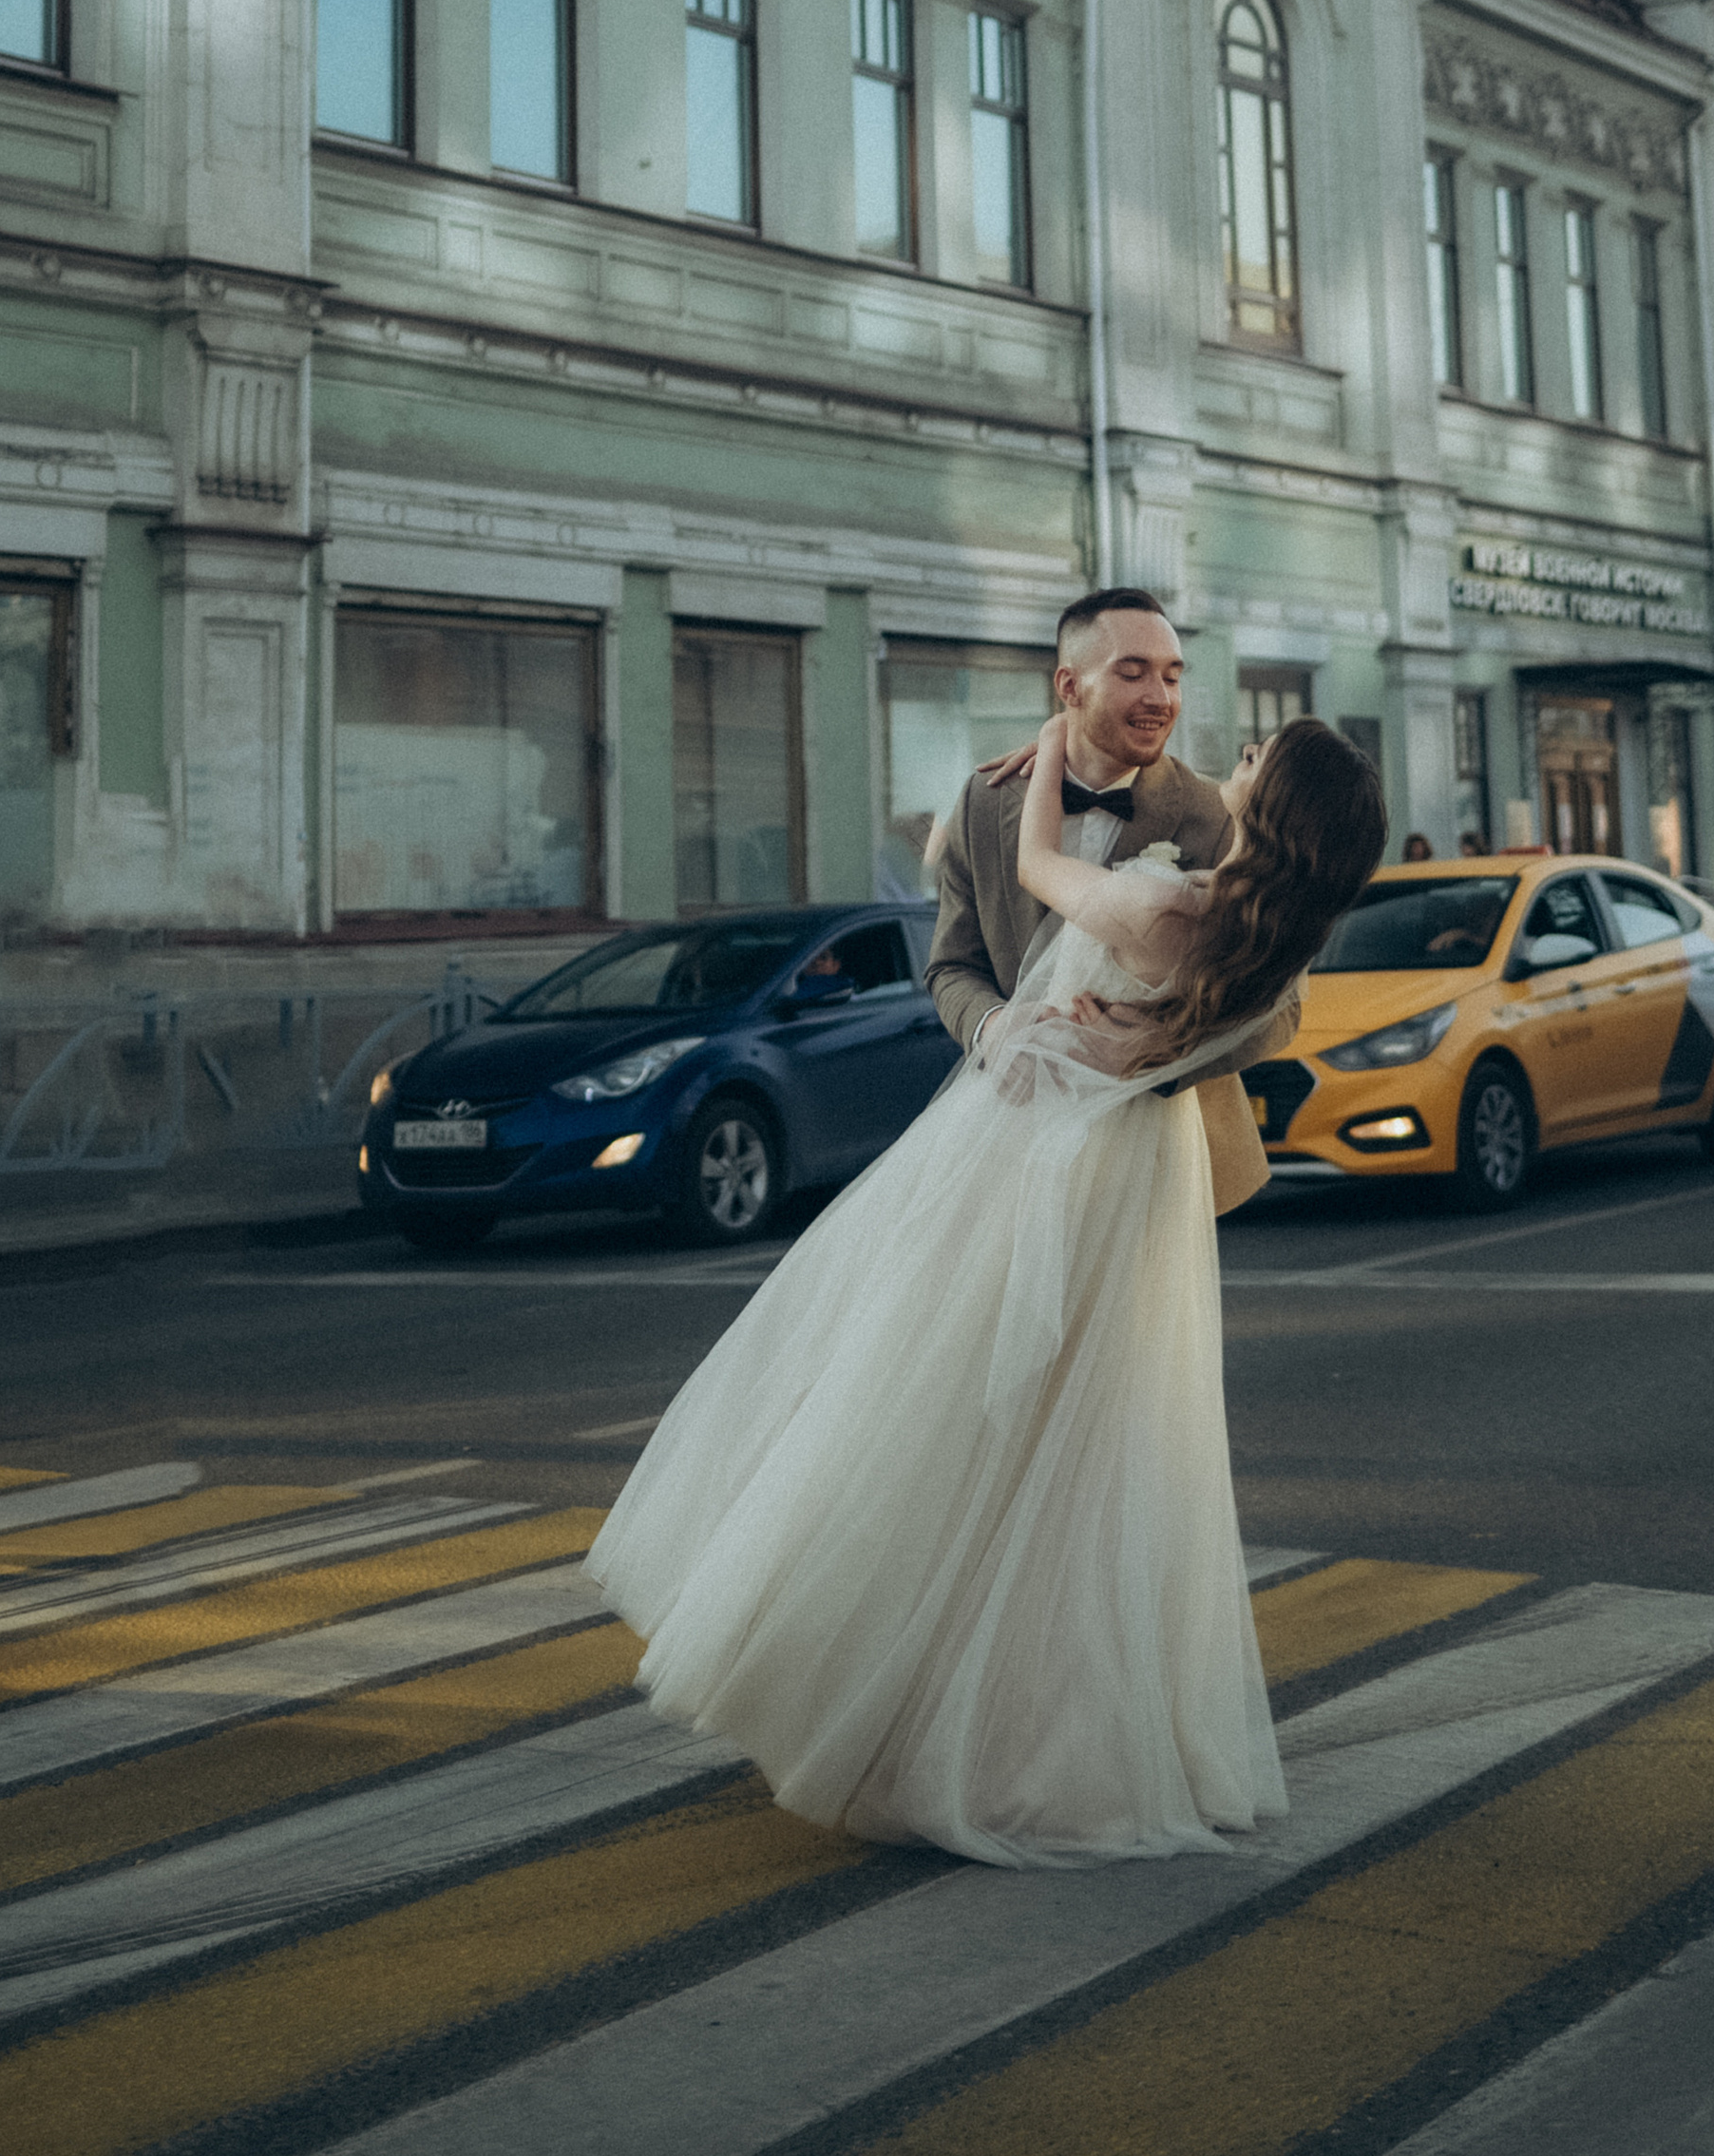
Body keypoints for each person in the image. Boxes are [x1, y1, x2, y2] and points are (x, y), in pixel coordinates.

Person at [585, 705, 1386, 1868]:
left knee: (930, 1412)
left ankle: (928, 1726)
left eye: (1256, 761)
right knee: (1077, 1454)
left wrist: (1058, 738)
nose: (1232, 761)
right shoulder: (1266, 935)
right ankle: (1023, 1726)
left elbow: (1034, 863)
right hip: (1129, 1185)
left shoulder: (1167, 902)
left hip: (1047, 1167)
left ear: (1273, 809)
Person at [929, 587, 1290, 1215]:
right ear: (1069, 686)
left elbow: (1281, 1007)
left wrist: (1155, 1049)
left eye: (1172, 676)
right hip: (1009, 1141)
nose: (1161, 697)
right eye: (1133, 673)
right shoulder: (984, 802)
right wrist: (992, 1027)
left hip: (1154, 1158)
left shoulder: (1222, 811)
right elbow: (951, 966)